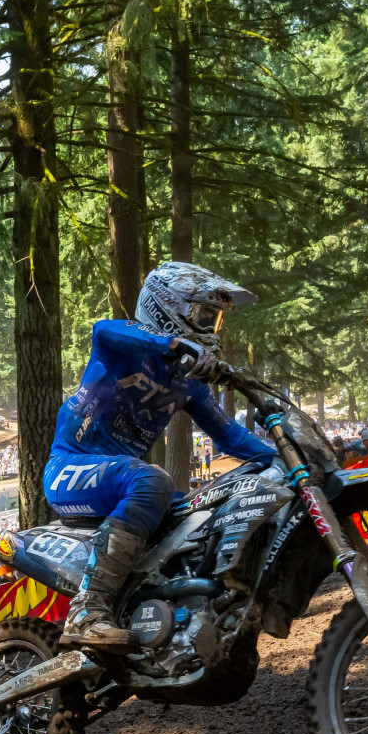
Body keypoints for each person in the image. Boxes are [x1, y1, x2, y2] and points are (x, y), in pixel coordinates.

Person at [43, 262, 278, 648]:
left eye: (215, 319)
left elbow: (231, 437)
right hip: (69, 468)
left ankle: (178, 624)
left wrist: (284, 458)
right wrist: (172, 345)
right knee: (152, 479)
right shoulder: (120, 346)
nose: (210, 328)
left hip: (124, 481)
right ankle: (87, 610)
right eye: (204, 316)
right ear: (168, 307)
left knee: (202, 512)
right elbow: (102, 329)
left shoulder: (188, 384)